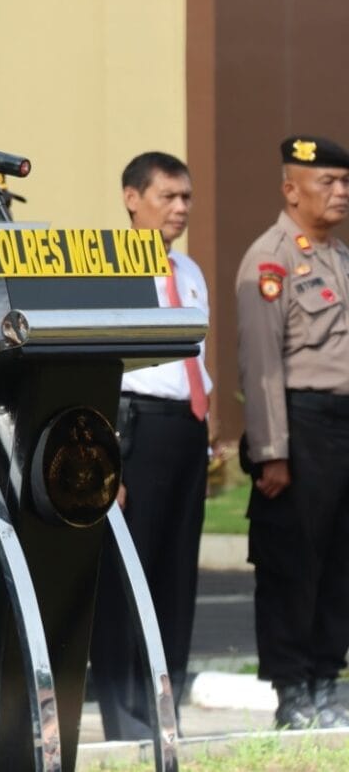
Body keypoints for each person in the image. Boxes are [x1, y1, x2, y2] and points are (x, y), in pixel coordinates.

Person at [88, 151, 212, 740]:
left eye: (186, 197)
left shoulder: (188, 270)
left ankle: (167, 710)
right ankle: (125, 716)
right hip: (131, 428)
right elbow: (96, 366)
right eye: (168, 196)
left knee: (174, 579)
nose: (181, 208)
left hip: (184, 430)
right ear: (132, 198)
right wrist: (104, 457)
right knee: (125, 579)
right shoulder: (104, 266)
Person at [236, 135, 349, 730]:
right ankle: (293, 692)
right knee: (293, 565)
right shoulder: (271, 259)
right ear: (291, 189)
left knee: (338, 565)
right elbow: (261, 365)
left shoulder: (339, 257)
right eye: (327, 181)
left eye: (345, 182)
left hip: (343, 426)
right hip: (300, 429)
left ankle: (327, 682)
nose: (341, 192)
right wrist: (271, 451)